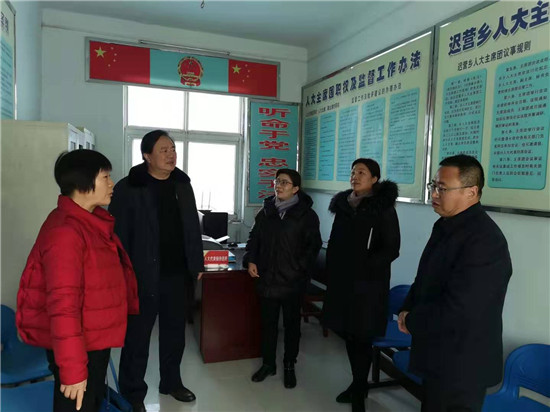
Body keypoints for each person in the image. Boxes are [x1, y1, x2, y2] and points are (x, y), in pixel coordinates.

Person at [16, 150, 139, 412]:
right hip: (79, 346)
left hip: (92, 338)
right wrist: (72, 370)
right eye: (105, 177)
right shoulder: (66, 232)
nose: (111, 184)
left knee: (91, 401)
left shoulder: (90, 223)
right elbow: (63, 307)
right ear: (83, 184)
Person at [398, 154, 512, 412]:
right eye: (433, 186)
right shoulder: (446, 225)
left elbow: (462, 308)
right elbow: (425, 278)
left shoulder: (485, 240)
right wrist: (406, 308)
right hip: (439, 352)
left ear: (471, 192)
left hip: (463, 363)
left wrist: (413, 320)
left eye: (442, 188)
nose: (434, 194)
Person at [109, 130, 204, 412]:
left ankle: (171, 382)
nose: (171, 154)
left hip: (176, 274)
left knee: (175, 333)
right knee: (137, 337)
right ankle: (133, 392)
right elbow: (118, 235)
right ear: (147, 155)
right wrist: (122, 272)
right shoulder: (129, 187)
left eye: (173, 149)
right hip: (141, 275)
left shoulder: (182, 184)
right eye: (164, 150)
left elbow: (192, 227)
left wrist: (196, 263)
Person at [322, 158, 400, 412]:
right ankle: (358, 384)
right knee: (349, 333)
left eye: (362, 172)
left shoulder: (382, 208)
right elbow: (334, 242)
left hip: (368, 286)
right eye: (353, 172)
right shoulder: (344, 206)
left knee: (363, 336)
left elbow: (392, 248)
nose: (355, 176)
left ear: (374, 179)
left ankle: (358, 389)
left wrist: (364, 266)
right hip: (343, 283)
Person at [245, 169, 322, 389]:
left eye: (285, 183)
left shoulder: (307, 215)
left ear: (296, 188)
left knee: (291, 326)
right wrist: (251, 260)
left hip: (292, 281)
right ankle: (268, 364)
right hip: (267, 278)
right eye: (277, 181)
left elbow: (313, 247)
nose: (278, 185)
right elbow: (254, 239)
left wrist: (299, 269)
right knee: (268, 324)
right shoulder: (266, 211)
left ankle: (289, 364)